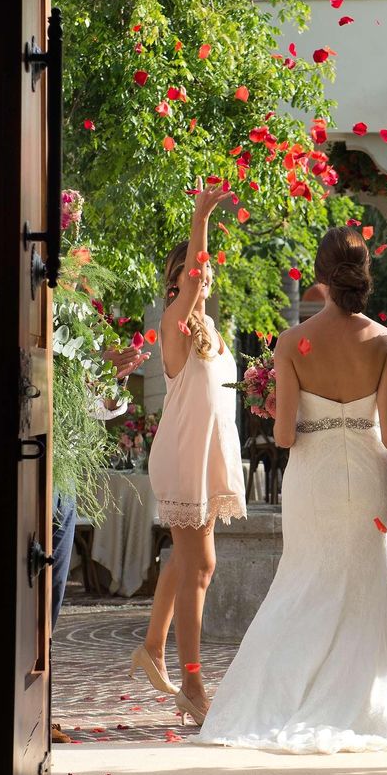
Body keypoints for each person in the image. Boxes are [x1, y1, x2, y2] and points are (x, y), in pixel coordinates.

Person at [198, 226, 387, 753]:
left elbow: (283, 435)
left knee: (303, 582)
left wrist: (302, 414)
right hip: (371, 477)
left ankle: (275, 698)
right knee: (366, 587)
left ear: (320, 276)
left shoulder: (290, 343)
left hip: (313, 477)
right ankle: (361, 705)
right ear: (363, 274)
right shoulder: (386, 343)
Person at [135, 188, 247, 727]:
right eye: (190, 273)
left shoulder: (208, 332)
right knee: (201, 566)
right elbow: (199, 275)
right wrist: (201, 215)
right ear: (176, 280)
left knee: (185, 561)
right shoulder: (174, 325)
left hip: (204, 457)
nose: (201, 279)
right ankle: (192, 681)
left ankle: (154, 646)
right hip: (184, 459)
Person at [50, 344, 147, 744]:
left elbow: (101, 407)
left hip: (62, 472)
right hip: (34, 465)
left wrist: (114, 378)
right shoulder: (36, 313)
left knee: (51, 593)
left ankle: (37, 706)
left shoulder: (77, 326)